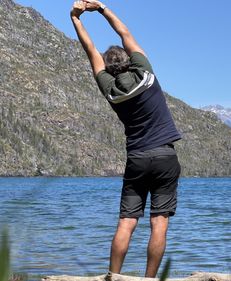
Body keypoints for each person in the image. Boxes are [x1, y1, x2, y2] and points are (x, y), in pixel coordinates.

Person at [70, 0, 182, 277]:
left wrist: (76, 19)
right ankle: (149, 279)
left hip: (137, 159)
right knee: (159, 223)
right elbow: (126, 34)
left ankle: (114, 277)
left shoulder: (110, 90)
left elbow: (91, 52)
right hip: (166, 157)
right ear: (130, 61)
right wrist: (102, 8)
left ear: (109, 70)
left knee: (127, 223)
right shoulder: (146, 75)